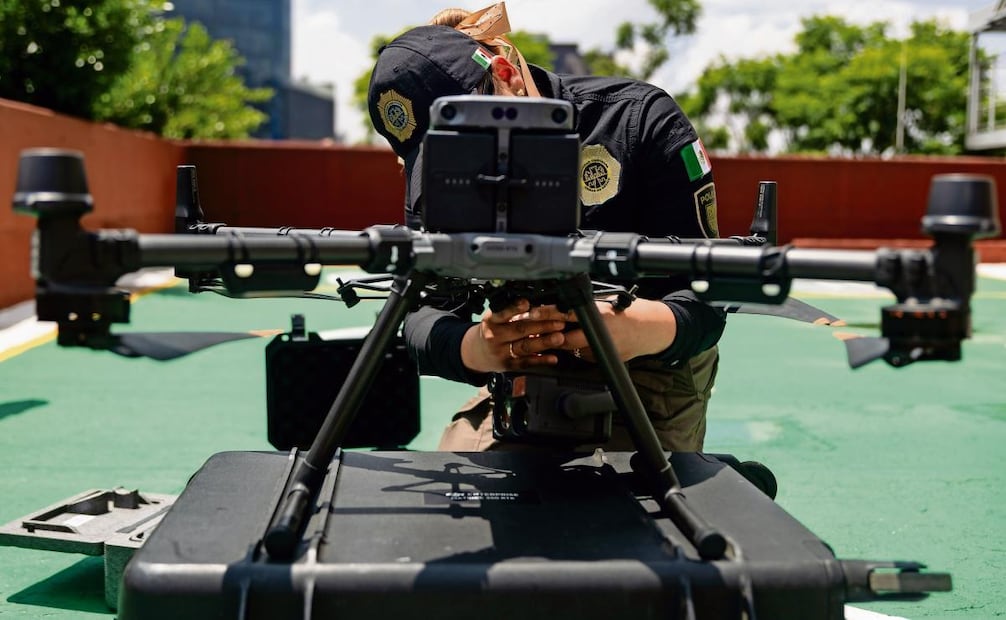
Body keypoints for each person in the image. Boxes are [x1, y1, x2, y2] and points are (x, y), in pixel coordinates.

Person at [366, 2, 725, 452]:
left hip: (651, 366)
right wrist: (479, 348)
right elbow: (415, 315)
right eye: (437, 159)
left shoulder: (638, 121)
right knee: (452, 497)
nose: (461, 174)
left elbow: (708, 298)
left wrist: (637, 327)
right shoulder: (437, 183)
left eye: (464, 144)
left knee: (637, 510)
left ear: (506, 75)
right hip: (520, 370)